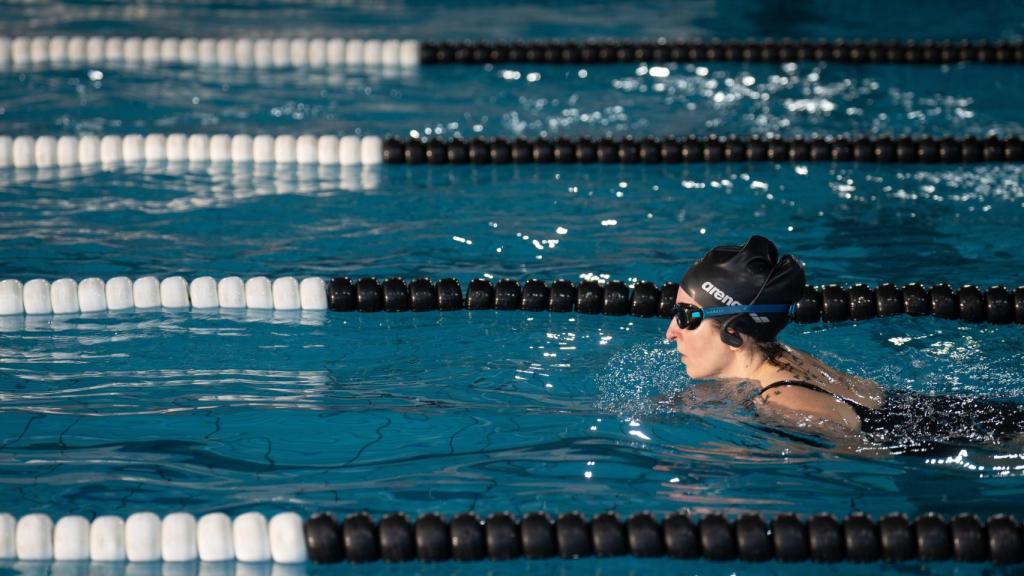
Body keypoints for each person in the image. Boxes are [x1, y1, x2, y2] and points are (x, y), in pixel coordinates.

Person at [665, 235, 1024, 452]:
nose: (670, 331)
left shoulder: (780, 400)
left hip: (977, 439)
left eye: (687, 317)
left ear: (736, 333)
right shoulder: (782, 357)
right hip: (959, 412)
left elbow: (871, 454)